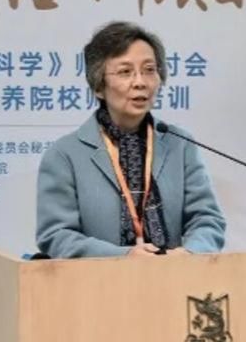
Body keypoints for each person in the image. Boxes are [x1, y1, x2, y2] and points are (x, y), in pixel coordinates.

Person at [37, 21, 226, 258]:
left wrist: (189, 253)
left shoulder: (180, 144)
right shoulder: (65, 154)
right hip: (99, 279)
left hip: (174, 276)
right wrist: (124, 256)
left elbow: (207, 219)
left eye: (149, 70)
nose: (140, 82)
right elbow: (56, 235)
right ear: (98, 87)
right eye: (125, 72)